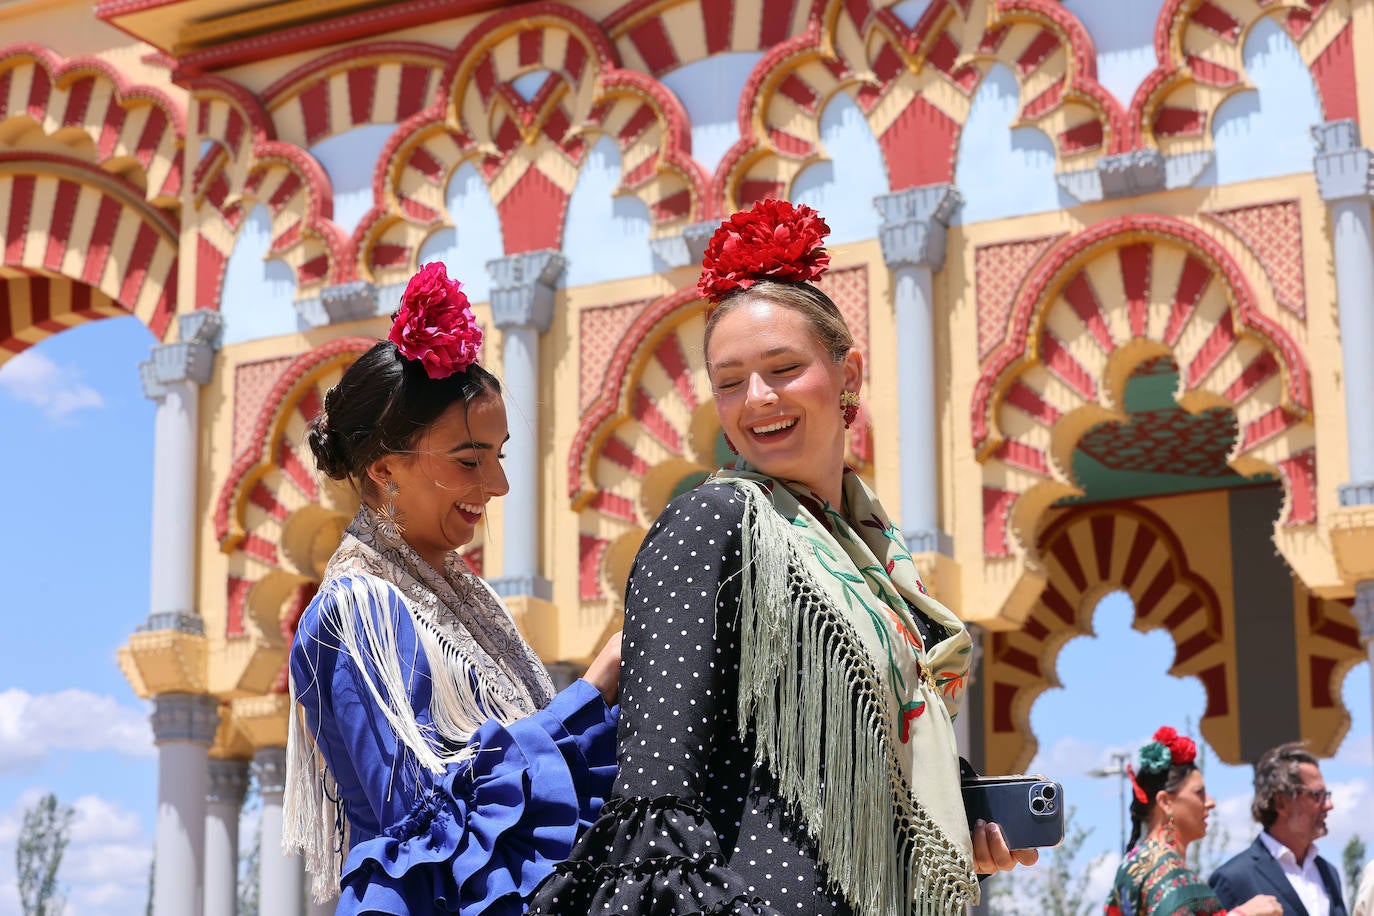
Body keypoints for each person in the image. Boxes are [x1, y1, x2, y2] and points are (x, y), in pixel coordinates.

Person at [529, 199, 1034, 916]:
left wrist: (957, 842)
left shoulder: (874, 566)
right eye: (729, 381)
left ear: (847, 372)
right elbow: (657, 791)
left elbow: (839, 803)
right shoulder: (714, 521)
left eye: (784, 368)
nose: (757, 399)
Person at [282, 262, 621, 915]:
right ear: (384, 470)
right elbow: (428, 822)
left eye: (499, 455)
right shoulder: (359, 610)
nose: (497, 486)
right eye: (470, 461)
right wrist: (591, 693)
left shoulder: (460, 599)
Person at [1104, 727, 1280, 916]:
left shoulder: (1131, 864)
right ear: (1165, 802)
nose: (1210, 802)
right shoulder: (1167, 872)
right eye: (1199, 793)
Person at [1209, 742, 1348, 916]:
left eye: (1327, 795)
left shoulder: (1328, 873)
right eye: (1317, 796)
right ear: (1281, 802)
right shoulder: (1234, 878)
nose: (1329, 805)